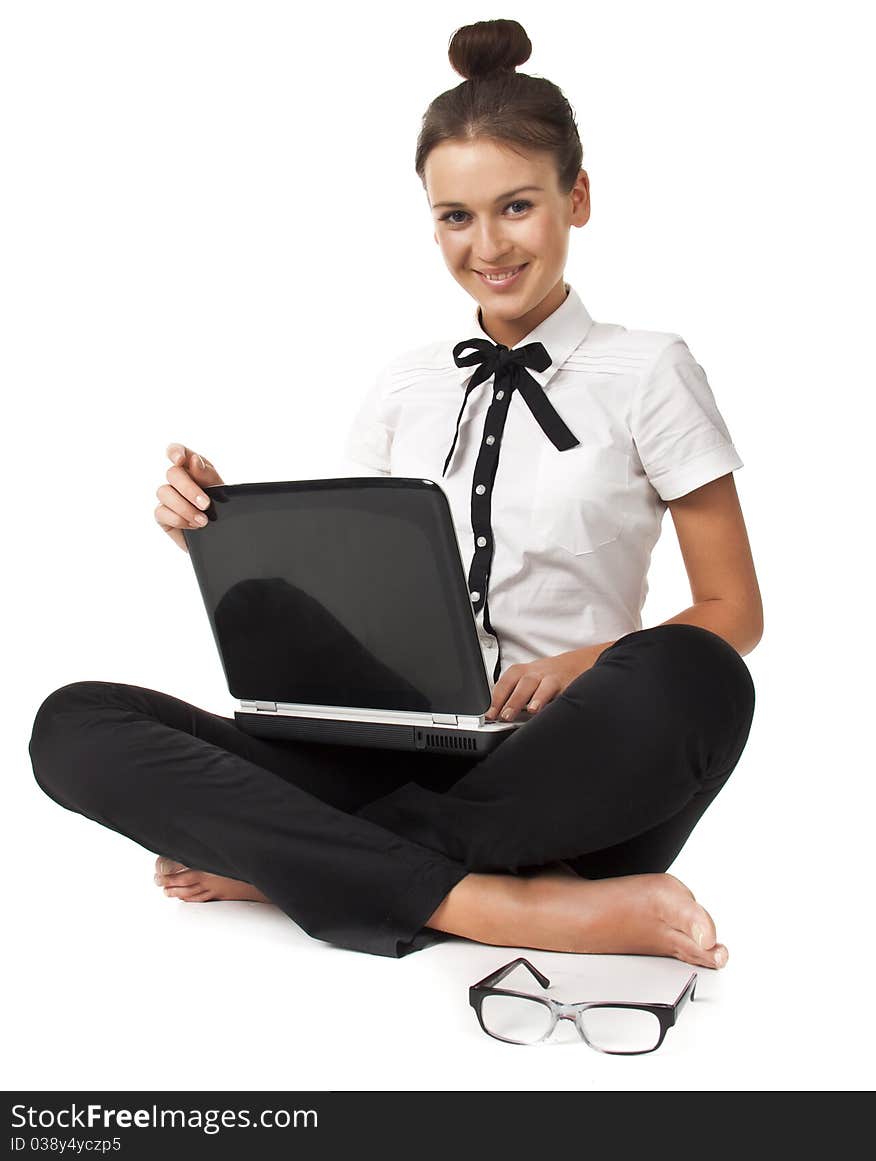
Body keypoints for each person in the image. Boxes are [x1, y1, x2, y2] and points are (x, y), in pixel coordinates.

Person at [28, 18, 761, 968]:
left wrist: (585, 661)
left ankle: (296, 867)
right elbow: (359, 605)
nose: (487, 245)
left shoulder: (651, 369)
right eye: (456, 216)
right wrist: (223, 536)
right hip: (385, 760)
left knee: (698, 677)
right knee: (73, 723)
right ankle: (512, 907)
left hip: (564, 772)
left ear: (577, 199)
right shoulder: (406, 384)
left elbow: (733, 610)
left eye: (517, 207)